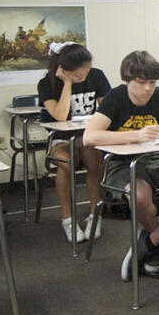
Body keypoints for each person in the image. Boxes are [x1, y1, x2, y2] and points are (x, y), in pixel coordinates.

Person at [84, 51, 159, 280]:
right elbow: (90, 137)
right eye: (141, 83)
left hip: (155, 159)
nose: (147, 89)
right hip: (120, 163)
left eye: (151, 82)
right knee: (141, 197)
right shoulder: (115, 97)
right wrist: (135, 135)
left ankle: (151, 242)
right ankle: (156, 249)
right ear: (127, 80)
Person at [37, 42, 111, 243]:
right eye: (78, 75)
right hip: (60, 138)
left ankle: (95, 215)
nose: (83, 77)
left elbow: (108, 108)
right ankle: (67, 219)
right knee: (65, 165)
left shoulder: (97, 75)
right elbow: (60, 116)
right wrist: (68, 85)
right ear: (63, 70)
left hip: (88, 135)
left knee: (94, 163)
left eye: (86, 71)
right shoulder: (47, 84)